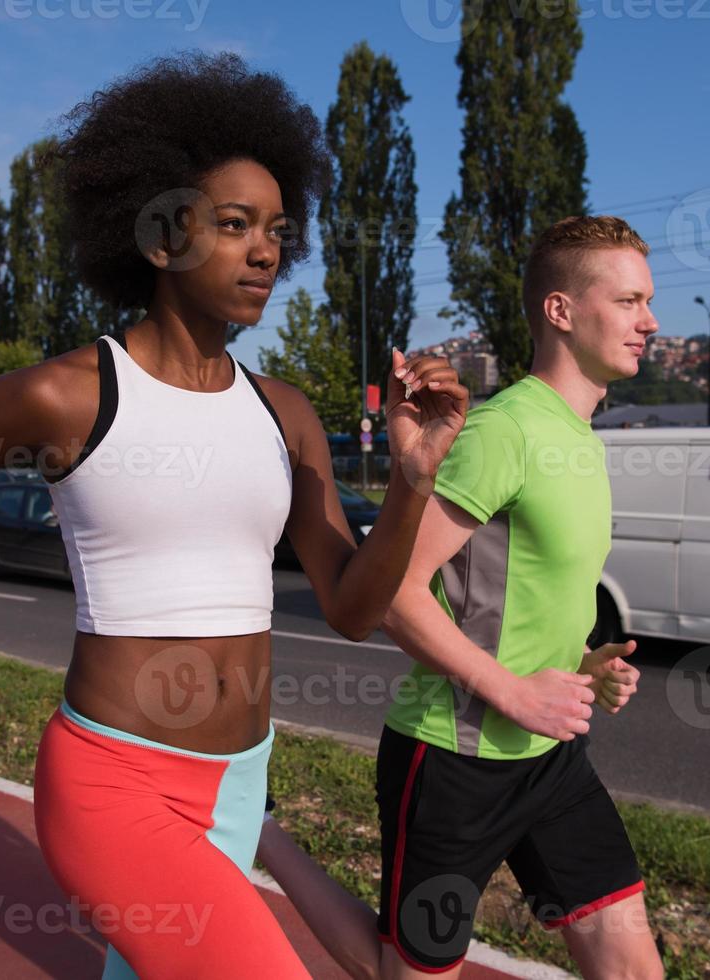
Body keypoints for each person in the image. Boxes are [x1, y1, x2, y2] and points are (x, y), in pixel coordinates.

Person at [0, 51, 468, 979]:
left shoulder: (285, 411)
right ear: (156, 239)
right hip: (114, 783)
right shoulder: (65, 396)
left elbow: (348, 609)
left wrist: (413, 480)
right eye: (232, 225)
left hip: (240, 779)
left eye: (275, 230)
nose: (265, 250)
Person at [257, 215, 665, 979]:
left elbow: (508, 596)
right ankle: (264, 836)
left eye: (648, 302)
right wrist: (511, 689)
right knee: (401, 971)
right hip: (453, 758)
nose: (649, 322)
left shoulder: (579, 436)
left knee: (634, 968)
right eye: (630, 300)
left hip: (550, 757)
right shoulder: (501, 432)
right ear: (561, 310)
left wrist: (582, 662)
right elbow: (392, 594)